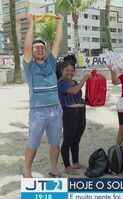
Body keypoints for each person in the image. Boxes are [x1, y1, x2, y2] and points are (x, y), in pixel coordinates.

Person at [22, 13, 63, 178]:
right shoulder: (29, 67)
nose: (39, 49)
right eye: (36, 48)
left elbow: (57, 42)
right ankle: (27, 170)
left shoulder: (51, 63)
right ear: (32, 52)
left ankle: (54, 168)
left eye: (42, 47)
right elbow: (25, 47)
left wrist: (59, 22)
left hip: (55, 110)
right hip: (37, 111)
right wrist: (32, 23)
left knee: (55, 142)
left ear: (45, 51)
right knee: (33, 142)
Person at [58, 57, 91, 174]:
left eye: (72, 70)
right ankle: (67, 166)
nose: (70, 72)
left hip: (81, 113)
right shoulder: (61, 83)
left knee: (76, 139)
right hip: (69, 115)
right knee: (67, 140)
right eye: (67, 70)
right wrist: (84, 79)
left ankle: (75, 162)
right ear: (62, 70)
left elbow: (78, 96)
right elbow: (73, 91)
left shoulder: (75, 82)